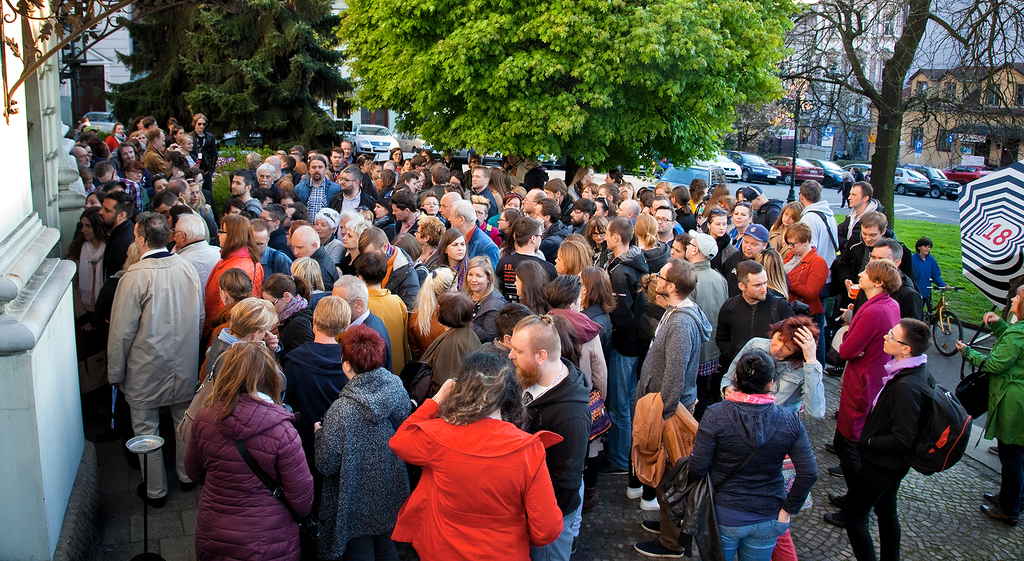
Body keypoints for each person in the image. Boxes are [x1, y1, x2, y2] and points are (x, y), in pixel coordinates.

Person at [389, 352, 564, 560]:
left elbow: (399, 441)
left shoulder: (438, 437)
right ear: (510, 394)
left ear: (461, 390)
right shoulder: (528, 450)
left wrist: (436, 400)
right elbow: (547, 530)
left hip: (443, 551)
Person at [683, 349, 817, 561]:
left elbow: (697, 468)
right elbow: (809, 473)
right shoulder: (790, 421)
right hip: (768, 516)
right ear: (771, 383)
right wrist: (787, 511)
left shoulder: (715, 414)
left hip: (722, 514)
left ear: (736, 378)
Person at [184, 343, 314, 561]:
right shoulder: (283, 431)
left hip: (215, 532)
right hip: (270, 539)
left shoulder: (205, 417)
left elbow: (192, 471)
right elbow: (302, 499)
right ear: (271, 378)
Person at [108, 212, 203, 506]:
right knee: (183, 422)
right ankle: (186, 476)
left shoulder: (134, 276)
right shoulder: (186, 268)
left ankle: (155, 490)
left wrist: (115, 373)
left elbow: (121, 332)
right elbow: (199, 317)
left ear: (140, 239)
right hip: (183, 361)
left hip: (145, 366)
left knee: (146, 429)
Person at [835, 319, 936, 559]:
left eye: (891, 336)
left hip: (881, 464)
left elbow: (903, 438)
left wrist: (868, 443)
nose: (885, 337)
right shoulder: (914, 371)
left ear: (906, 349)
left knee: (854, 515)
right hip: (892, 465)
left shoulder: (906, 386)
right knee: (886, 511)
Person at [314, 325, 410, 561]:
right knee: (388, 547)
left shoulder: (341, 410)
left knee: (359, 553)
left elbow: (326, 464)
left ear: (347, 365)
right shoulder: (396, 387)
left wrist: (319, 435)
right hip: (390, 485)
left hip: (353, 496)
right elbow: (405, 428)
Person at [508, 315, 591, 561]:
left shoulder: (571, 417)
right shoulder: (530, 376)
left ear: (541, 356)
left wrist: (537, 521)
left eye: (518, 350)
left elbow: (565, 484)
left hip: (547, 519)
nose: (510, 355)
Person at [826, 259, 901, 525]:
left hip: (862, 384)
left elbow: (846, 350)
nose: (860, 274)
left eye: (867, 272)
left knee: (847, 444)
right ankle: (855, 500)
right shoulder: (889, 305)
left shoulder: (874, 311)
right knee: (848, 444)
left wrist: (849, 336)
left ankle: (857, 507)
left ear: (878, 282)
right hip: (870, 381)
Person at [959, 288, 1024, 526]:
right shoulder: (1018, 330)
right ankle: (1013, 498)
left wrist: (967, 352)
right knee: (1017, 455)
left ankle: (1009, 509)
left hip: (1014, 400)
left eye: (1017, 297)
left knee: (1011, 456)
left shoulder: (1019, 333)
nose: (1013, 299)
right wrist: (998, 325)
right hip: (1018, 398)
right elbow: (1012, 342)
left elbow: (995, 364)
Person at [282, 296, 350, 468]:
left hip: (303, 444)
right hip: (341, 443)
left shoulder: (294, 360)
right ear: (344, 326)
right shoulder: (351, 363)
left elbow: (287, 405)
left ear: (314, 321)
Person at [603, 217, 649, 474]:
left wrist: (612, 334)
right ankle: (628, 452)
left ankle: (620, 459)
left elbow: (621, 315)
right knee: (629, 401)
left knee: (620, 404)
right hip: (634, 343)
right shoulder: (634, 262)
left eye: (607, 233)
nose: (605, 238)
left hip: (624, 347)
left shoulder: (621, 273)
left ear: (616, 237)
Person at [715, 261, 795, 404]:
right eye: (758, 285)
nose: (764, 289)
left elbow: (793, 342)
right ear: (742, 286)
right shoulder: (729, 307)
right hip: (739, 378)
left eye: (765, 283)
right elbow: (721, 338)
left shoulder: (780, 307)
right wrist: (736, 354)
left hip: (771, 382)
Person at [721, 316, 825, 418]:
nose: (778, 348)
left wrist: (811, 362)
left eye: (788, 348)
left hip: (778, 422)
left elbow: (815, 412)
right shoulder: (755, 345)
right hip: (742, 414)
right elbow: (729, 377)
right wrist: (726, 389)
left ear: (797, 353)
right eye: (779, 338)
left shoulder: (806, 368)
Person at [204, 214, 263, 339]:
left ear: (234, 236)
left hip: (225, 331)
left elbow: (224, 306)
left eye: (222, 231)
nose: (218, 234)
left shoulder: (234, 268)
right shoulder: (251, 261)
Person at [354, 252, 411, 373]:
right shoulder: (397, 302)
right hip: (398, 370)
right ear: (385, 275)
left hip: (369, 372)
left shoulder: (359, 307)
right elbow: (405, 340)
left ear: (360, 276)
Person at [784, 222, 829, 363]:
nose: (790, 247)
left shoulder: (817, 262)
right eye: (788, 243)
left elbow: (811, 292)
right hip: (792, 311)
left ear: (806, 242)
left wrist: (787, 279)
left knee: (813, 351)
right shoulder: (791, 256)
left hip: (809, 315)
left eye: (793, 244)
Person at [422, 292, 482, 395]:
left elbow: (444, 386)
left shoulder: (451, 344)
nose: (436, 309)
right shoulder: (467, 332)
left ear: (447, 313)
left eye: (439, 307)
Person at [497, 216, 558, 302]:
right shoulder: (548, 268)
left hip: (508, 307)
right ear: (533, 238)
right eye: (540, 236)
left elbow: (498, 291)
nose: (541, 239)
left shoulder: (503, 263)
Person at [408, 268, 456, 360]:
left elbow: (414, 349)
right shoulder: (454, 314)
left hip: (425, 362)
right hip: (447, 363)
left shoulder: (416, 313)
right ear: (451, 290)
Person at [262, 273, 314, 358]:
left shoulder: (298, 324)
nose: (269, 308)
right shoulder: (291, 317)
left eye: (272, 303)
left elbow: (307, 358)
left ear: (287, 297)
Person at [463, 256, 506, 344]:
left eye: (479, 276)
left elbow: (488, 336)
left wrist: (461, 321)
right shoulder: (465, 296)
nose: (473, 280)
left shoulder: (495, 303)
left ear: (489, 278)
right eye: (470, 274)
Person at [912, 236, 946, 305]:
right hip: (914, 292)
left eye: (929, 247)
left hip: (925, 291)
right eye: (925, 246)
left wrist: (943, 285)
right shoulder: (912, 260)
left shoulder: (931, 260)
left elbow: (935, 275)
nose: (927, 249)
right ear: (919, 247)